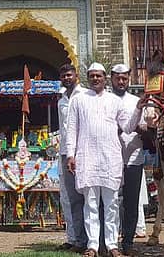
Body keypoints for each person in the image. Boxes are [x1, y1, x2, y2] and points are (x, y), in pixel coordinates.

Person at [64, 62, 137, 257]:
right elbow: (72, 129)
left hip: (110, 158)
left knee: (112, 203)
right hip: (87, 157)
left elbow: (128, 127)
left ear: (105, 78)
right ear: (88, 78)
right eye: (92, 75)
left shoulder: (115, 101)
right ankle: (93, 246)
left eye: (99, 75)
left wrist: (139, 106)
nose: (95, 78)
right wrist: (71, 154)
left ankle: (112, 245)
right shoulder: (78, 100)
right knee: (91, 204)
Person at [110, 63, 144, 256]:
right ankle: (111, 241)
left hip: (133, 157)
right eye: (118, 78)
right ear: (112, 79)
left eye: (124, 78)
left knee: (131, 202)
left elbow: (142, 126)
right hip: (110, 158)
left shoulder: (135, 100)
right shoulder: (104, 99)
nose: (121, 82)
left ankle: (128, 241)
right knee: (111, 201)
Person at [56, 63, 89, 253]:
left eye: (69, 75)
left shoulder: (85, 96)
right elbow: (63, 128)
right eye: (64, 76)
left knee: (86, 196)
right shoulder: (61, 100)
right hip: (64, 152)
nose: (67, 78)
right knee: (68, 198)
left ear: (76, 75)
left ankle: (88, 239)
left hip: (82, 151)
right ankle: (74, 238)